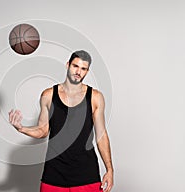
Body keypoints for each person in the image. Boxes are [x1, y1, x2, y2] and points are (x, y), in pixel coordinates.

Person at [9, 50, 114, 192]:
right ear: (68, 65)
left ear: (87, 71)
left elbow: (101, 135)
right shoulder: (48, 95)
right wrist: (21, 128)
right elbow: (43, 130)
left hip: (86, 174)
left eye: (83, 69)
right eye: (75, 66)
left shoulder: (95, 97)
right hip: (54, 174)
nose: (78, 72)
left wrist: (109, 169)